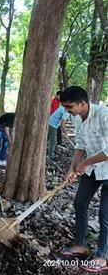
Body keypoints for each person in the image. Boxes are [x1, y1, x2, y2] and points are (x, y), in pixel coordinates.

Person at [60, 86, 108, 273]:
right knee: (80, 202)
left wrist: (86, 162)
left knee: (105, 214)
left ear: (82, 103)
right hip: (94, 170)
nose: (66, 110)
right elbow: (80, 144)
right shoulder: (76, 117)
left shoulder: (104, 115)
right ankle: (80, 245)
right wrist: (73, 167)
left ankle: (102, 256)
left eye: (69, 106)